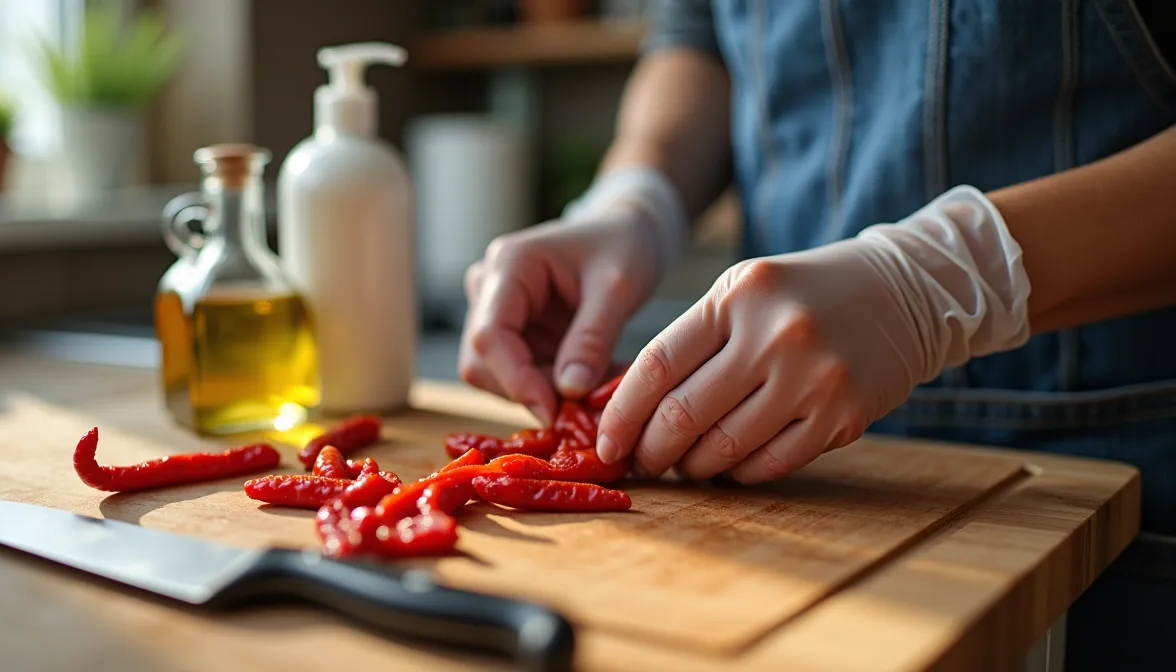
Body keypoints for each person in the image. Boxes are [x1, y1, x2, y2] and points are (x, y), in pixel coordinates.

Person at [458, 1, 1176, 669]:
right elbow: (699, 35)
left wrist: (944, 278)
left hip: (1110, 459)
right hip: (782, 474)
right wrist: (636, 194)